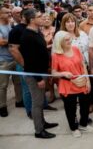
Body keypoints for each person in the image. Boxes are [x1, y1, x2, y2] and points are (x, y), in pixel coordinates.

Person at [19, 9, 58, 139]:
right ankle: (38, 130)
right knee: (37, 103)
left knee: (41, 101)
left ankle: (43, 123)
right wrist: (38, 78)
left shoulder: (37, 32)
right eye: (39, 16)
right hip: (35, 75)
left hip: (41, 71)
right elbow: (29, 61)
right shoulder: (27, 36)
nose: (42, 18)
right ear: (31, 20)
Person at [51, 31, 93, 138]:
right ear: (59, 42)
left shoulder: (76, 49)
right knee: (71, 108)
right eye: (66, 40)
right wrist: (63, 73)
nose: (69, 41)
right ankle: (74, 128)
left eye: (70, 38)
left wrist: (87, 80)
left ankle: (83, 124)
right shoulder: (56, 55)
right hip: (68, 85)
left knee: (85, 105)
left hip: (81, 82)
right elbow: (54, 73)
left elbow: (83, 65)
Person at [0, 6, 21, 117]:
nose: (9, 14)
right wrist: (14, 41)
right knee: (3, 86)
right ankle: (2, 106)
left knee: (17, 82)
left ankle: (19, 101)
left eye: (10, 12)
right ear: (0, 14)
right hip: (3, 60)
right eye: (6, 13)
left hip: (14, 58)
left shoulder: (11, 24)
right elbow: (1, 42)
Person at [79, 2, 93, 114]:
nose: (92, 12)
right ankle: (92, 103)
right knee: (91, 82)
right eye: (90, 10)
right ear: (86, 12)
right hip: (89, 57)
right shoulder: (82, 25)